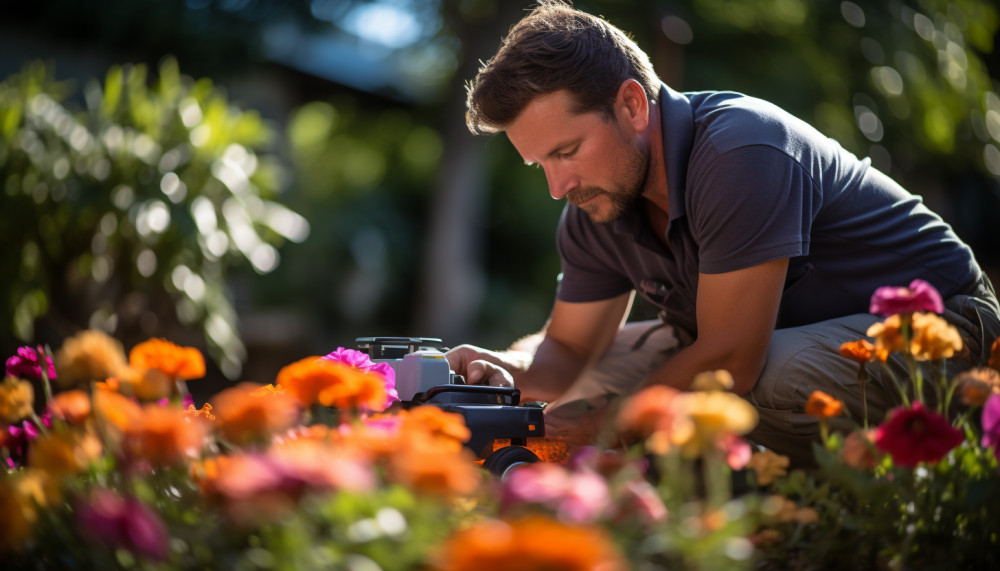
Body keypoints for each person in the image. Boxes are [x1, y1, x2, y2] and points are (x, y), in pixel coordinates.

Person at [444, 0, 1000, 466]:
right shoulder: (598, 202)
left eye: (567, 152)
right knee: (585, 385)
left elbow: (732, 358)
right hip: (771, 335)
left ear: (633, 105)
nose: (558, 187)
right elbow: (566, 350)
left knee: (752, 378)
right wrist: (508, 369)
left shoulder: (741, 151)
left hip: (949, 329)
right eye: (540, 163)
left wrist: (598, 428)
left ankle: (816, 505)